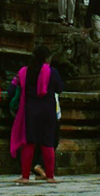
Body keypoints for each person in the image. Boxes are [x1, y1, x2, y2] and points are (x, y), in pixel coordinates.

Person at [9, 45, 65, 183]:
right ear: (47, 58)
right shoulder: (52, 72)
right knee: (47, 142)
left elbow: (14, 88)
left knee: (29, 143)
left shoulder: (24, 72)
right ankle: (50, 176)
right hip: (47, 111)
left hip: (30, 111)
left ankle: (25, 176)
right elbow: (59, 88)